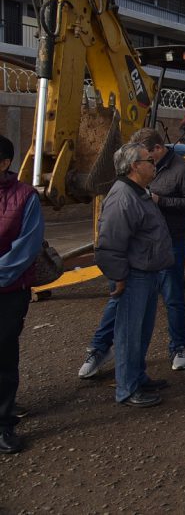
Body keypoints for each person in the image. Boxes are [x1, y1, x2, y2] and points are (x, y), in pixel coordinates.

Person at [78, 129, 185, 379]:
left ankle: (177, 347)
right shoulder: (127, 186)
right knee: (121, 301)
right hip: (139, 250)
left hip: (169, 243)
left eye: (149, 156)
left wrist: (161, 201)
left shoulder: (182, 170)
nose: (149, 161)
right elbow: (112, 235)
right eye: (144, 159)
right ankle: (100, 349)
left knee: (173, 297)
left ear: (157, 149)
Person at [94, 143, 173, 408]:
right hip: (135, 275)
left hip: (148, 273)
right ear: (134, 167)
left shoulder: (138, 192)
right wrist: (118, 276)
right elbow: (109, 243)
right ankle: (127, 389)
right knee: (129, 332)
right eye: (149, 160)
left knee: (141, 331)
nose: (154, 163)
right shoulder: (123, 198)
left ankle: (137, 377)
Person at [0, 135, 43, 453]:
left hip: (10, 291)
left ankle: (3, 425)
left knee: (3, 355)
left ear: (4, 164)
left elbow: (26, 248)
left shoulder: (25, 198)